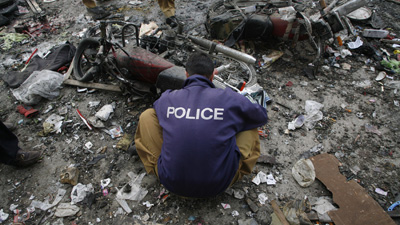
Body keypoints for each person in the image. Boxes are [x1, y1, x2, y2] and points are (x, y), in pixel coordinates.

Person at [135, 52, 268, 198]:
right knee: (250, 124)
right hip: (218, 184)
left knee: (148, 116)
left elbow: (158, 114)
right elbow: (261, 116)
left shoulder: (168, 98)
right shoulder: (228, 98)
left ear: (186, 75)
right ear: (212, 76)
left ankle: (163, 165)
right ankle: (238, 167)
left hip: (171, 182)